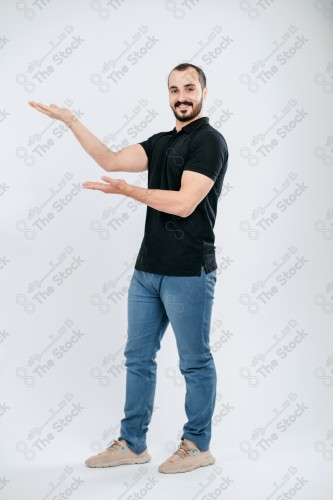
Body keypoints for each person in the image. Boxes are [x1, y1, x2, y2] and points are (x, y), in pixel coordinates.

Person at [28, 62, 229, 474]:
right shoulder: (159, 142)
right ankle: (133, 443)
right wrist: (71, 121)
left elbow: (183, 203)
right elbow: (111, 158)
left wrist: (128, 191)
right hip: (147, 271)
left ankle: (197, 445)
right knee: (138, 357)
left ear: (204, 93)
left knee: (193, 361)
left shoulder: (209, 141)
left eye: (189, 88)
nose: (181, 96)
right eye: (174, 89)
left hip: (189, 271)